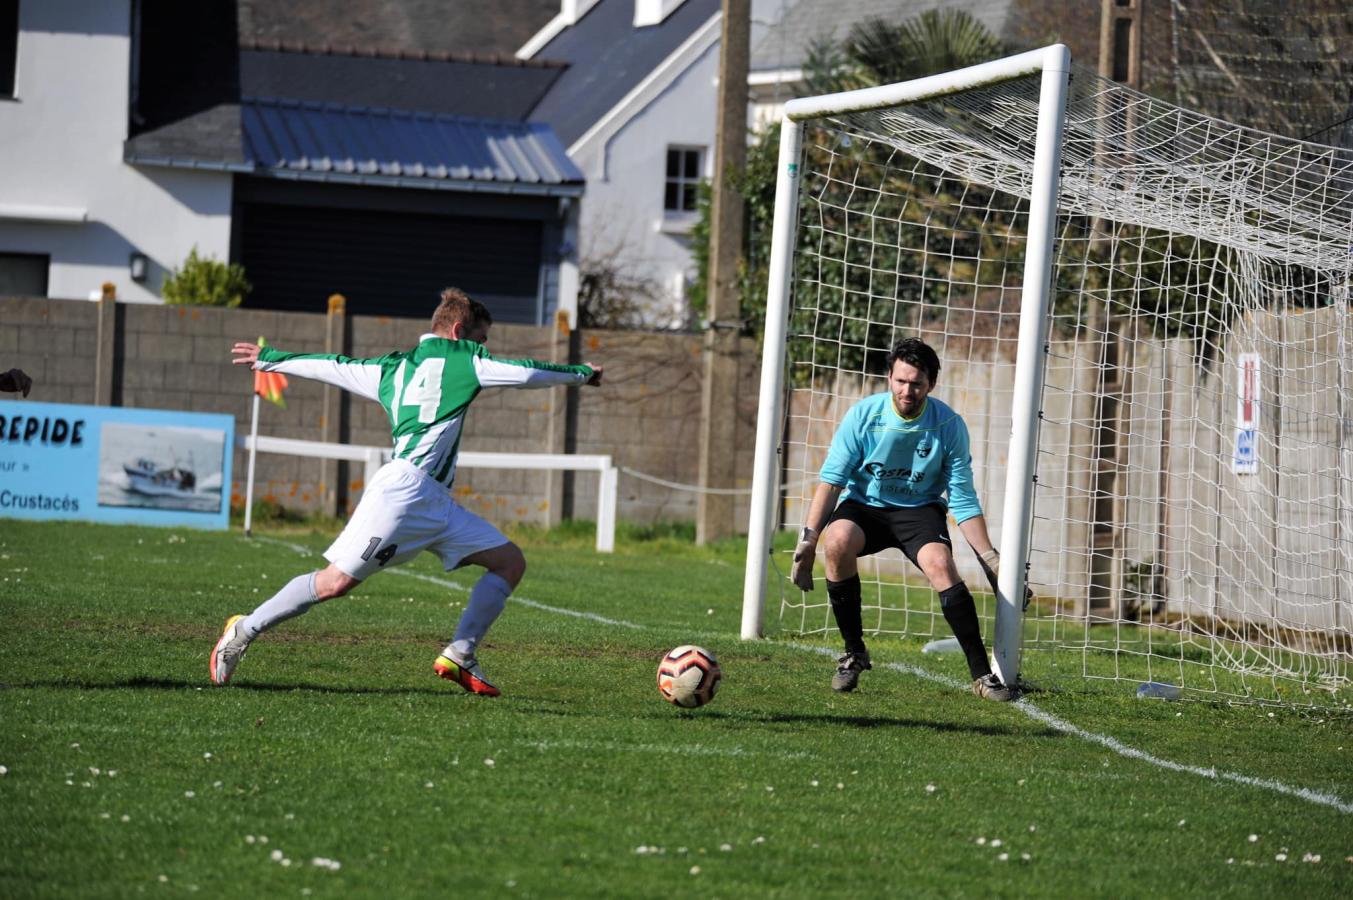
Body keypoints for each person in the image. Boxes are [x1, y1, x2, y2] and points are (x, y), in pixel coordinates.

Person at [210, 288, 603, 696]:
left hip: (434, 500)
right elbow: (524, 372)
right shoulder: (466, 358)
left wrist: (276, 359)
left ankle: (461, 654)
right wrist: (582, 374)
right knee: (334, 584)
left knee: (509, 562)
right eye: (481, 338)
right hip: (403, 494)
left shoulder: (393, 367)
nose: (484, 348)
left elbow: (335, 366)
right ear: (457, 331)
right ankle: (244, 628)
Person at [789, 336, 1020, 702]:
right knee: (837, 542)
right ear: (889, 378)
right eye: (900, 381)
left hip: (918, 511)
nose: (907, 390)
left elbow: (961, 498)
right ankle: (854, 653)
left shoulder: (948, 425)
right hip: (865, 506)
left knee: (942, 565)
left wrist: (990, 558)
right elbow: (832, 481)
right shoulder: (864, 416)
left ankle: (982, 676)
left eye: (916, 383)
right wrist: (809, 539)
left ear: (931, 384)